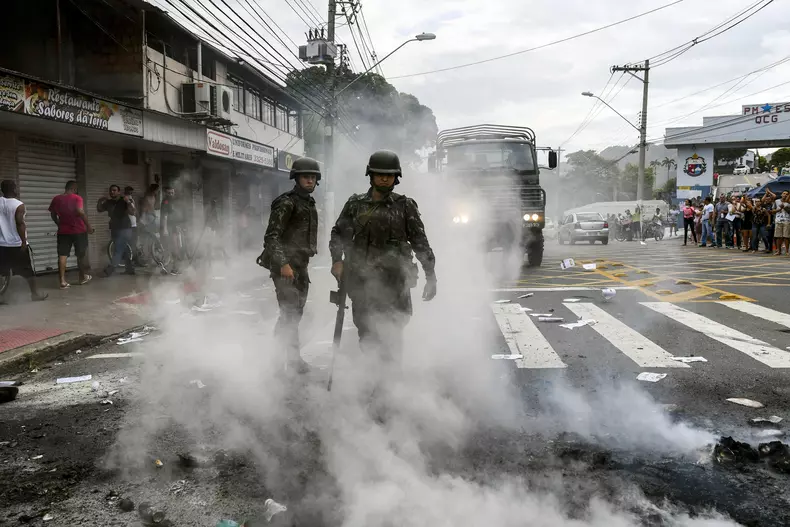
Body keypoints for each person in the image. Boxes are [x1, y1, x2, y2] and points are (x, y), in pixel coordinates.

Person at [329, 150, 437, 370]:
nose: (385, 179)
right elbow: (338, 234)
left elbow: (420, 243)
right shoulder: (355, 204)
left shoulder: (405, 206)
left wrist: (431, 276)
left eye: (389, 175)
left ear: (396, 177)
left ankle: (390, 379)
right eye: (380, 174)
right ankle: (373, 375)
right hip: (361, 281)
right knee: (367, 332)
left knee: (393, 332)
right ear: (371, 175)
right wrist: (337, 261)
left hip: (396, 282)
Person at [257, 157, 321, 374]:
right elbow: (271, 237)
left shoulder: (308, 203)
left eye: (313, 177)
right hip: (285, 268)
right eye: (306, 177)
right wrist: (283, 264)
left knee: (295, 315)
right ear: (296, 178)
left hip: (300, 267)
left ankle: (293, 360)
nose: (310, 181)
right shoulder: (287, 202)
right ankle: (276, 363)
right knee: (289, 315)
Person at [0, 180, 47, 302]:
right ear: (13, 189)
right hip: (15, 244)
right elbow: (20, 223)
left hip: (1, 244)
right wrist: (23, 242)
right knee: (27, 271)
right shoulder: (18, 205)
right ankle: (35, 294)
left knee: (2, 271)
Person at [48, 180, 94, 289]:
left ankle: (62, 281)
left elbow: (53, 214)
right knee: (80, 255)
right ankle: (82, 277)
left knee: (62, 255)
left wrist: (59, 224)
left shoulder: (56, 199)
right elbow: (80, 211)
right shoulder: (77, 198)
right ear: (74, 188)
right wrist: (88, 226)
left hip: (63, 231)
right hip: (79, 231)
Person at [97, 184, 135, 276]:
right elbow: (100, 209)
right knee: (123, 248)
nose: (112, 192)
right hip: (114, 228)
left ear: (118, 192)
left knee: (118, 249)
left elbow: (133, 212)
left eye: (114, 190)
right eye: (111, 190)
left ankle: (109, 270)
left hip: (125, 228)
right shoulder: (108, 202)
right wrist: (99, 201)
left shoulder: (124, 200)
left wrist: (128, 202)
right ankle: (130, 269)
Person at [160, 186, 186, 273]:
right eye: (169, 193)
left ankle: (170, 267)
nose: (171, 194)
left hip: (175, 227)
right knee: (173, 248)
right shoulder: (166, 202)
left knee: (176, 247)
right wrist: (165, 229)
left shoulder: (173, 201)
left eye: (172, 193)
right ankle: (172, 268)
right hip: (169, 228)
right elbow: (165, 216)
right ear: (166, 193)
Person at [773, 191, 790, 256]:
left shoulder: (789, 202)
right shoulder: (776, 201)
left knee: (786, 237)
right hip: (778, 220)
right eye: (784, 193)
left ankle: (787, 251)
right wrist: (778, 209)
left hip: (787, 220)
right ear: (781, 194)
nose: (785, 195)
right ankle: (779, 251)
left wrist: (784, 207)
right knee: (778, 236)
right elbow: (773, 210)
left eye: (786, 194)